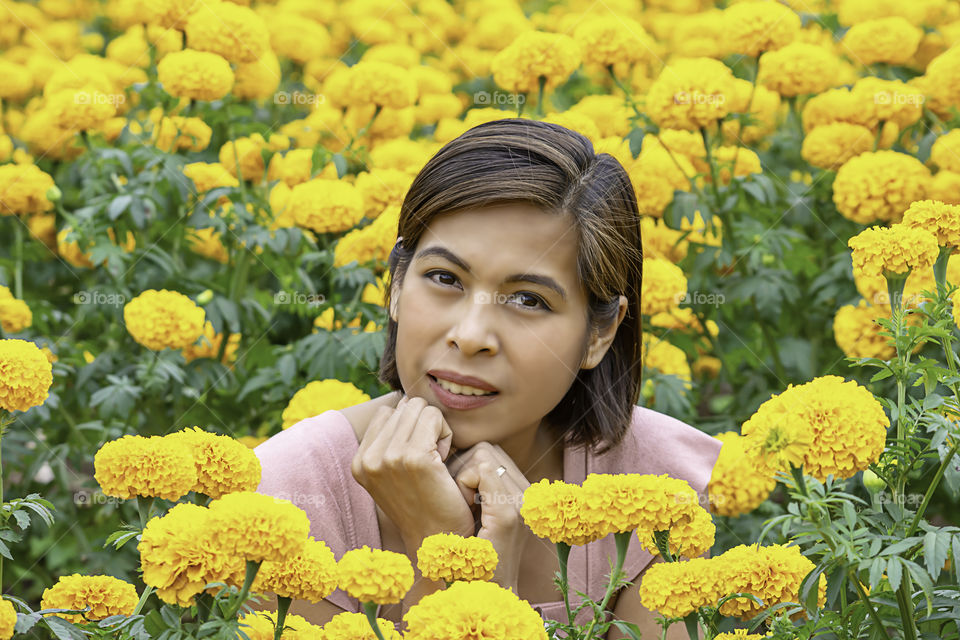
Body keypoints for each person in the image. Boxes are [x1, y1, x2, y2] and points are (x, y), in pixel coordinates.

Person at [254, 118, 723, 638]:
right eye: (444, 278)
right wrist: (450, 556)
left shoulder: (653, 490)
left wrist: (486, 582)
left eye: (528, 299)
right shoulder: (288, 499)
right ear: (395, 286)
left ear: (601, 333)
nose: (472, 334)